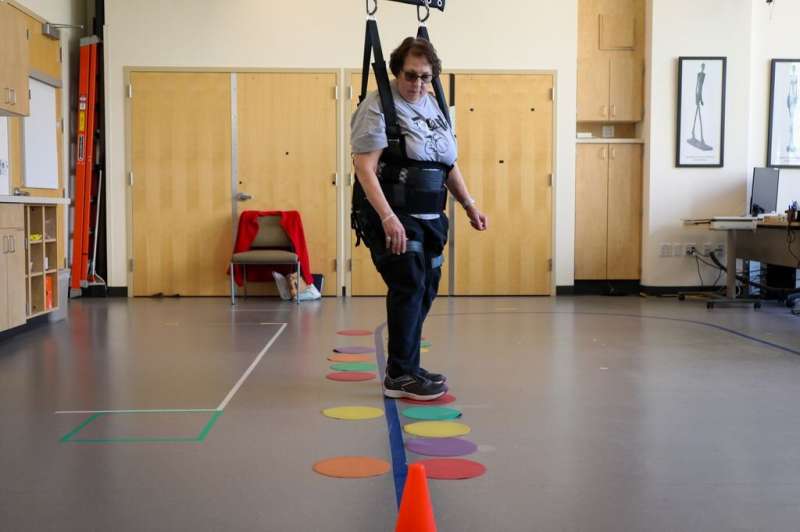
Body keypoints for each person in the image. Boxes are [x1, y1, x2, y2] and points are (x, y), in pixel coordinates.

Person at [351, 37, 487, 401]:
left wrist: (469, 204)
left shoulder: (434, 104)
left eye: (426, 77)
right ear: (397, 72)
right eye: (411, 76)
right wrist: (387, 217)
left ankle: (406, 364)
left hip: (431, 216)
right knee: (408, 284)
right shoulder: (379, 105)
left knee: (426, 287)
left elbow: (447, 164)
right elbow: (364, 166)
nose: (419, 84)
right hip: (394, 215)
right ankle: (399, 375)